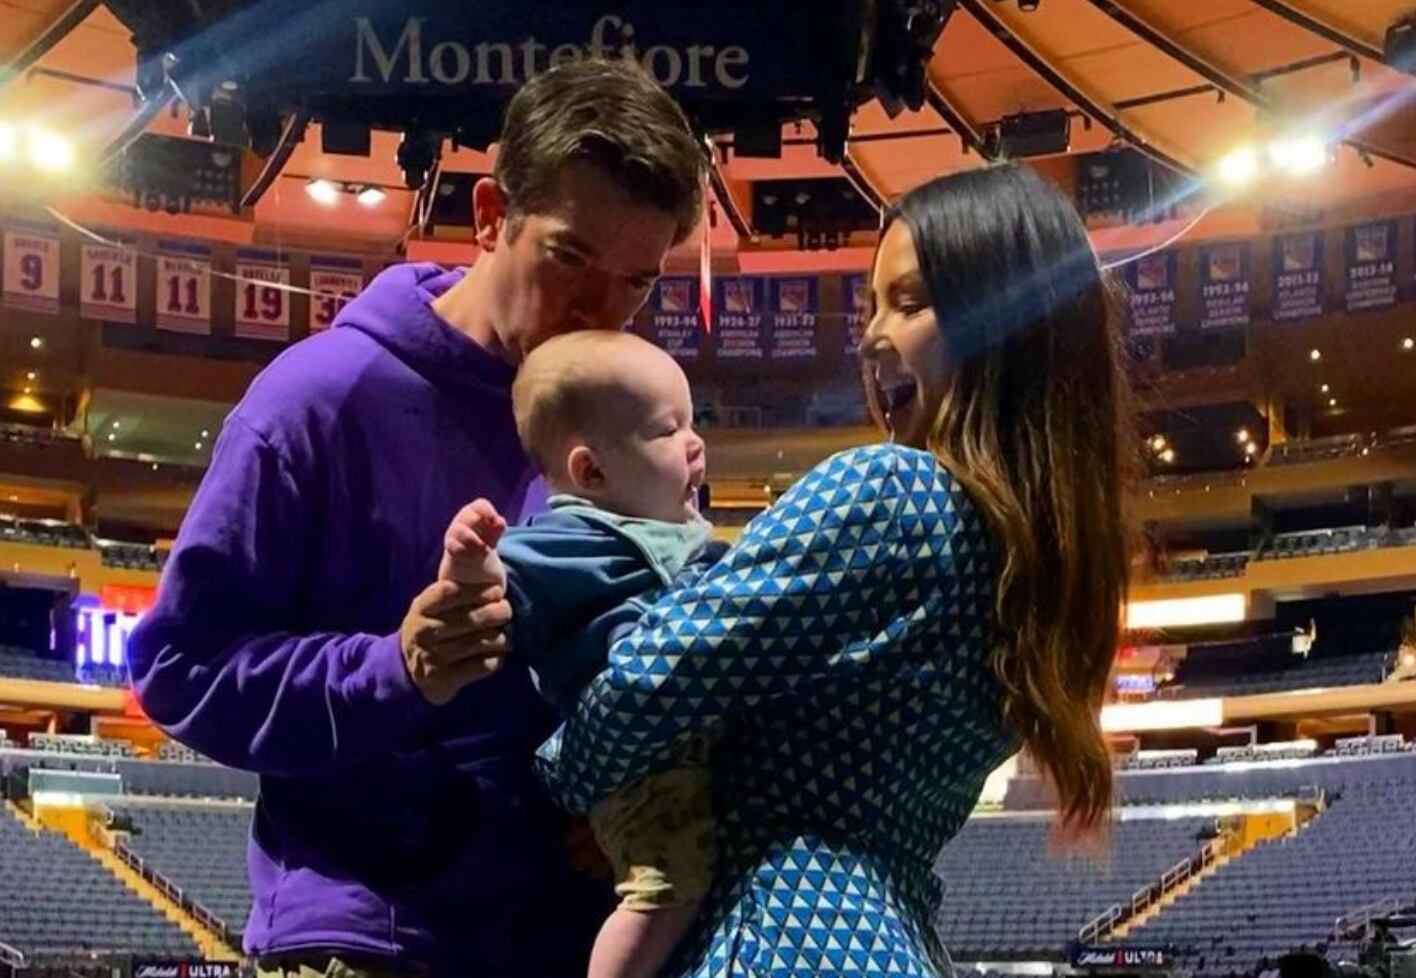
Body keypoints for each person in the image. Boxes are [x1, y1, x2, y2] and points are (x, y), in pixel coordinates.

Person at [126, 59, 705, 978]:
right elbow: (180, 670)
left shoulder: (632, 414)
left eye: (636, 281)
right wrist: (394, 669)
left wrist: (623, 801)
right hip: (374, 941)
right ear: (490, 215)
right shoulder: (319, 399)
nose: (601, 312)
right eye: (570, 259)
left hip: (574, 941)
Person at [536, 163, 1133, 978]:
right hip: (890, 938)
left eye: (912, 303)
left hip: (774, 932)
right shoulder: (1041, 562)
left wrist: (567, 784)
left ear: (1006, 325)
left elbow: (644, 681)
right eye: (871, 307)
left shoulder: (892, 489)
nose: (872, 336)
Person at [439, 331, 724, 978]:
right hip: (642, 765)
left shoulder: (684, 534)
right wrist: (470, 564)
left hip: (700, 747)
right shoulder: (566, 540)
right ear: (591, 471)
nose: (695, 443)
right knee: (667, 890)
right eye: (668, 430)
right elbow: (495, 599)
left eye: (693, 422)